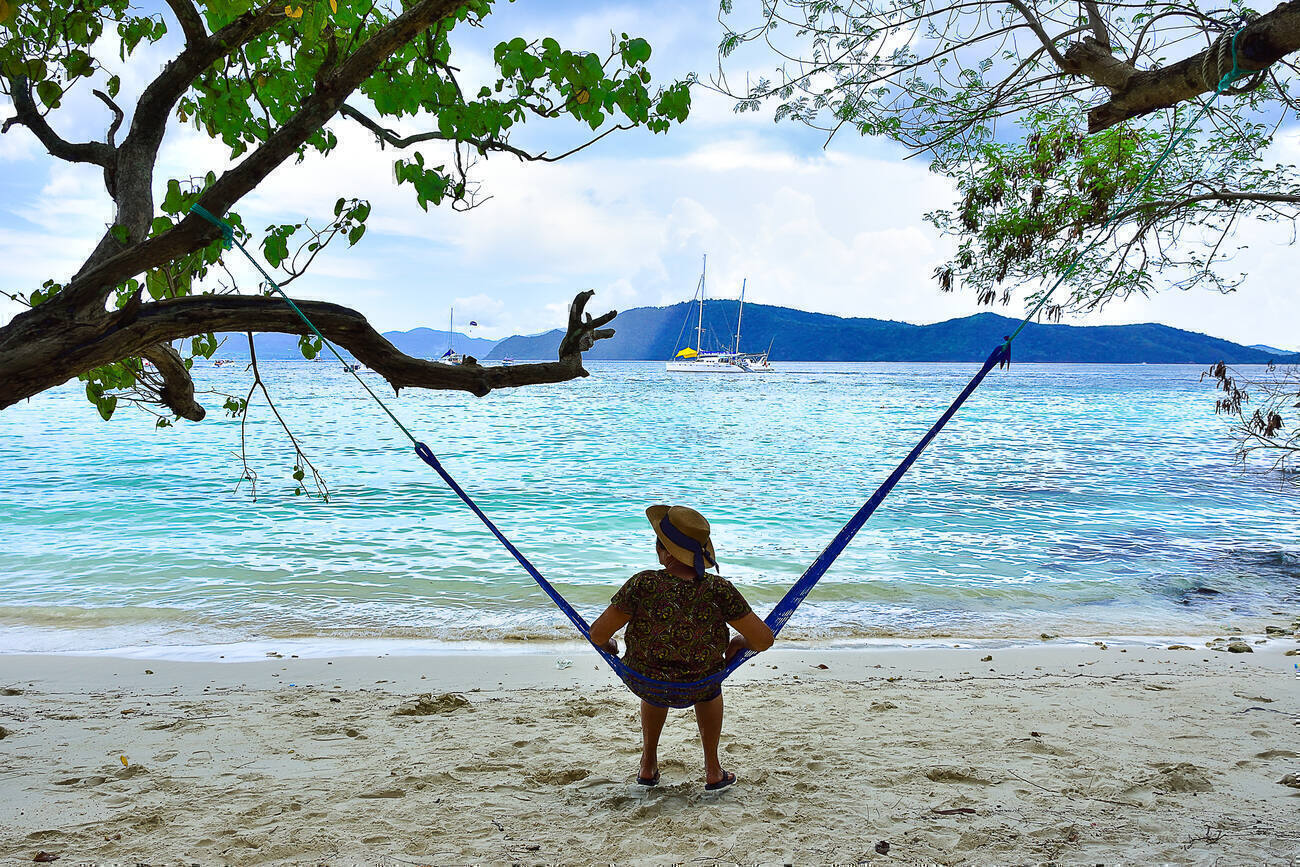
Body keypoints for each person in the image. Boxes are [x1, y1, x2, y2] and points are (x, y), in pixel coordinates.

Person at [589, 504, 774, 791]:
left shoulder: (643, 583)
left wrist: (611, 646)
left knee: (656, 677)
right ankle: (713, 770)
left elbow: (598, 634)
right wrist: (739, 641)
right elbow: (763, 640)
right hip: (702, 684)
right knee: (711, 686)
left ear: (663, 552)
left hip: (646, 681)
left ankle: (647, 765)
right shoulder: (719, 589)